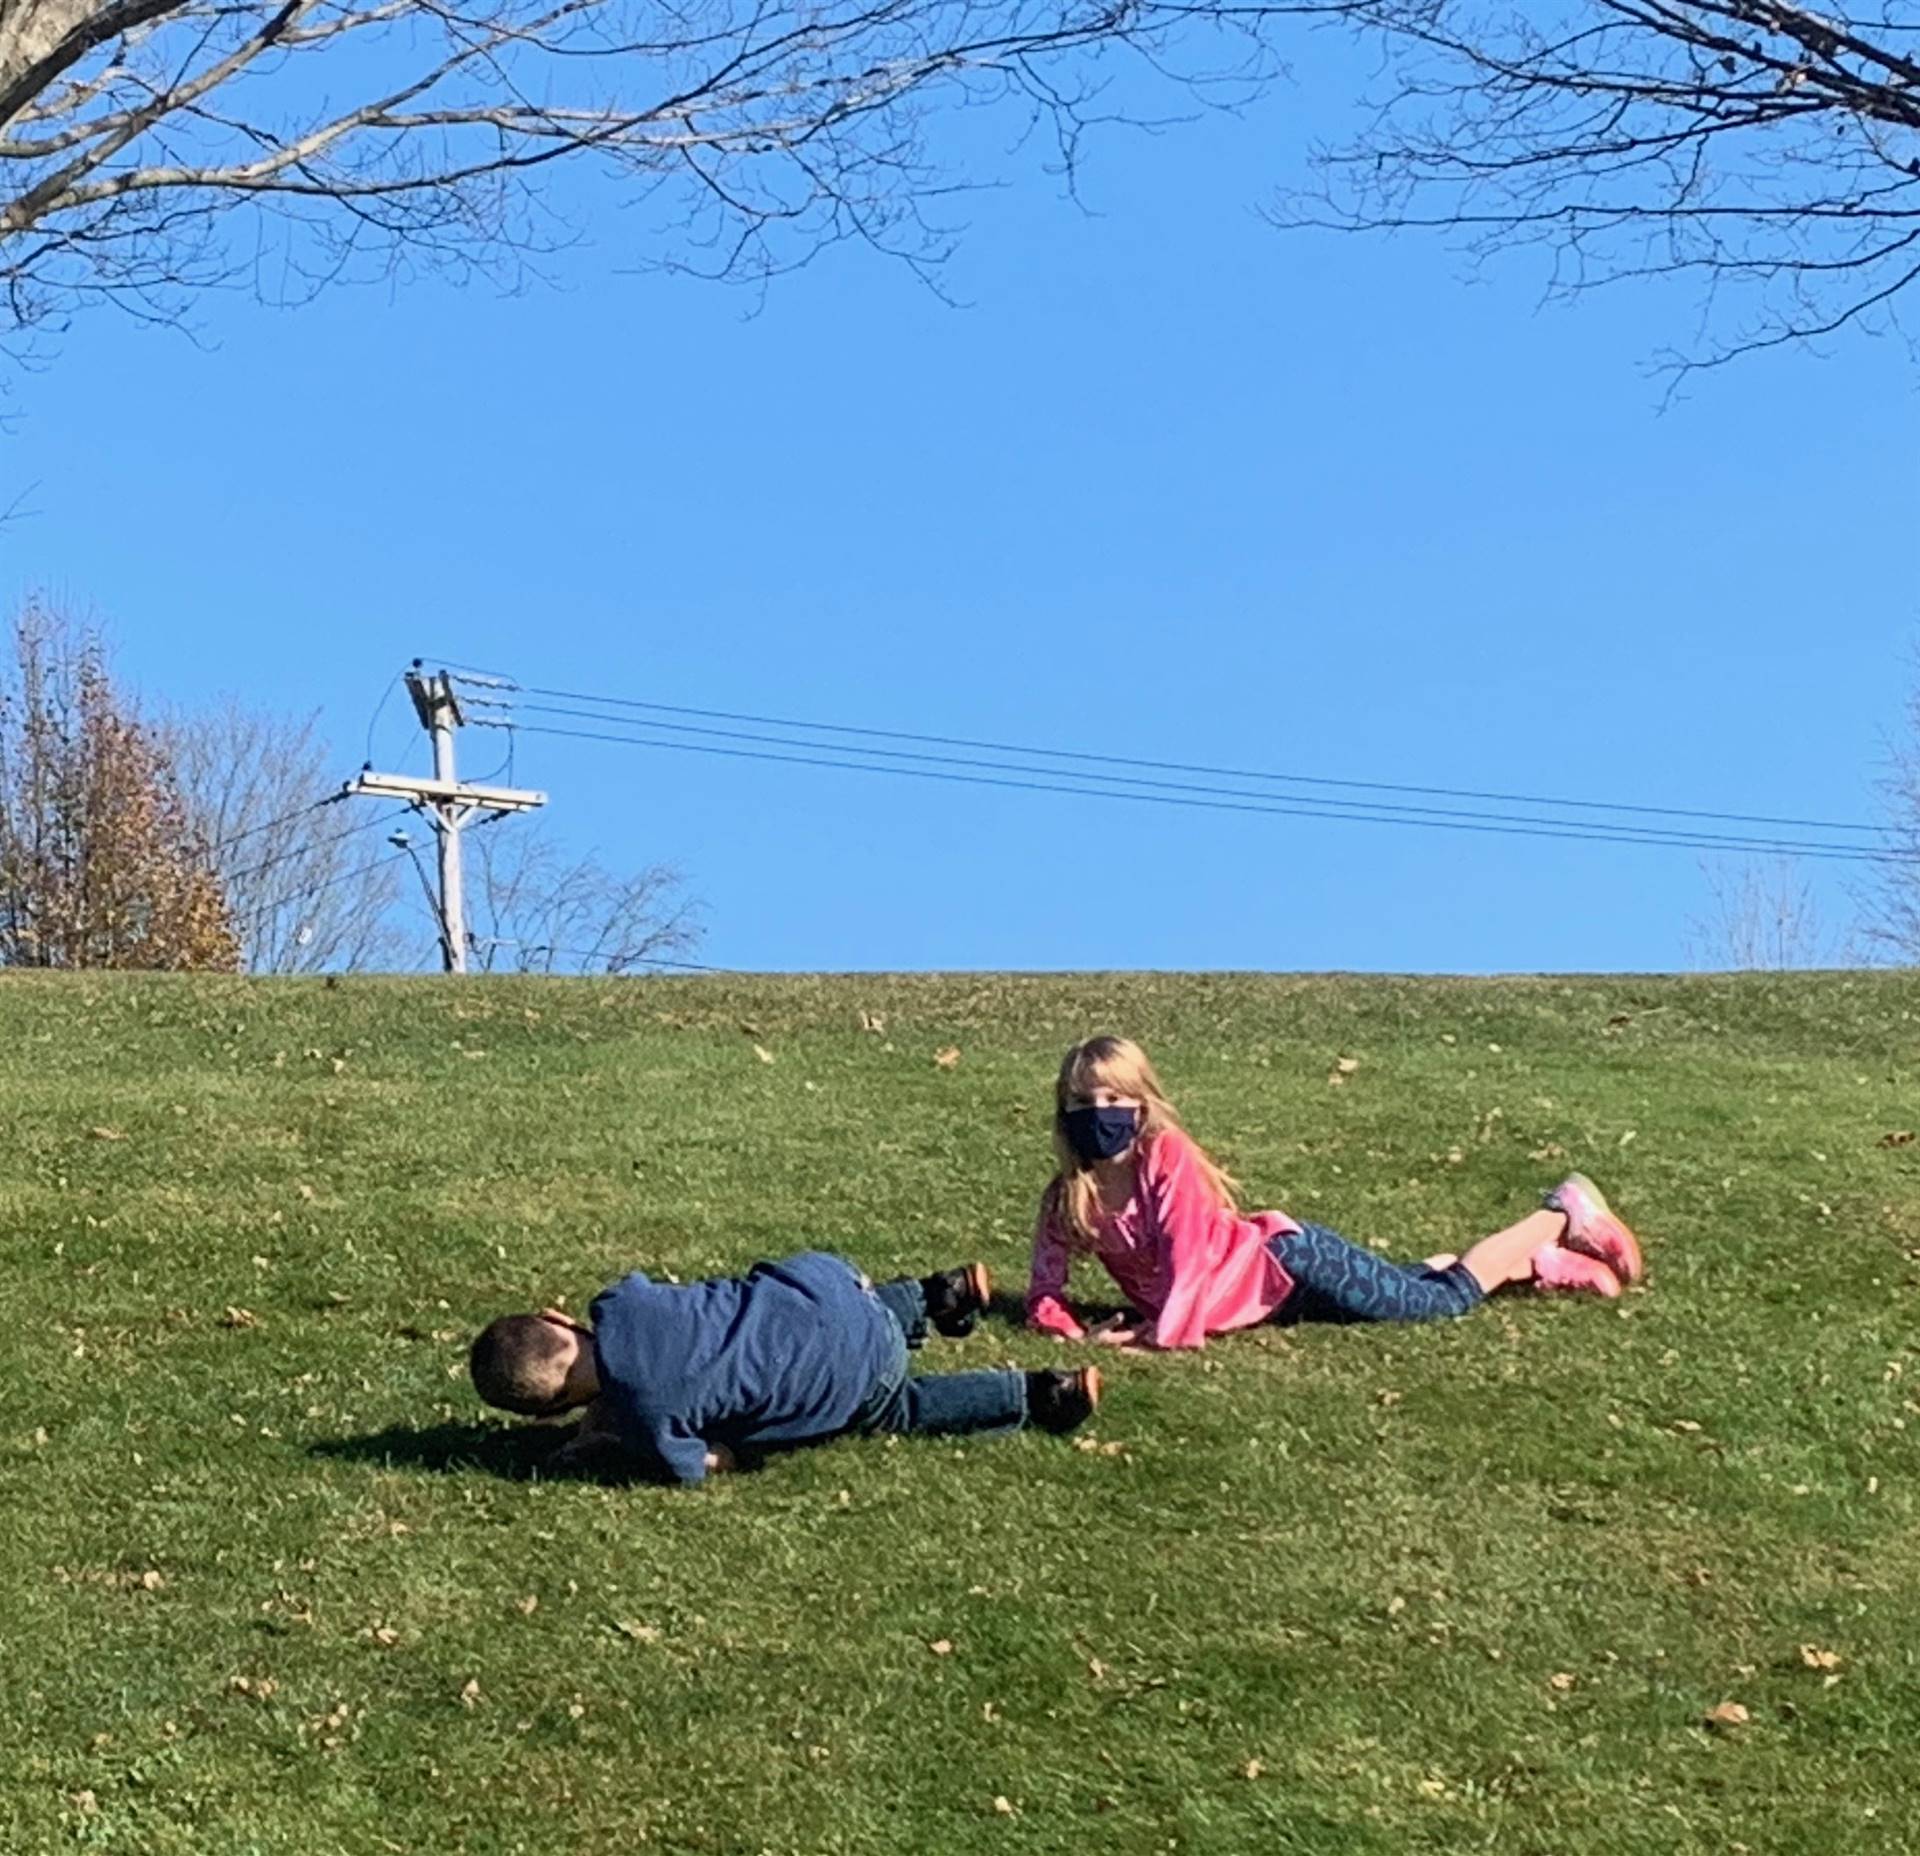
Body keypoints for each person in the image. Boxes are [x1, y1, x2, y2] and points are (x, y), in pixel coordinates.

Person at [1025, 1035, 1644, 1350]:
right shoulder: (1069, 1197)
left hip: (1288, 1266)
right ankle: (1529, 1264)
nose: (1098, 1113)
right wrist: (1071, 1331)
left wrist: (1159, 1336)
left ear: (1142, 1105)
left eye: (1114, 1099)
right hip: (1251, 1306)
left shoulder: (1166, 1157)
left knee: (1430, 1305)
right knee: (1406, 1283)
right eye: (1083, 1102)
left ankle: (1559, 1213)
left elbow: (1189, 1258)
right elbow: (1045, 1291)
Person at [470, 1252, 1101, 1482]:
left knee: (898, 1409)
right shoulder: (619, 1300)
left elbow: (716, 1460)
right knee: (808, 1308)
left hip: (858, 1380)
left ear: (556, 1407)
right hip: (831, 1281)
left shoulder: (646, 1426)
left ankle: (1039, 1392)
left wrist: (614, 1433)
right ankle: (944, 1292)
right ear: (558, 1318)